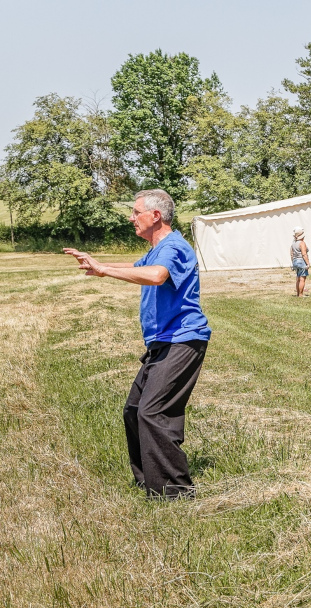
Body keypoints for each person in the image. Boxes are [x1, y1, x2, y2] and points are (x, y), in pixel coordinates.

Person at [63, 189, 210, 500]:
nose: (131, 218)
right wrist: (99, 265)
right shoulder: (157, 250)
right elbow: (138, 267)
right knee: (134, 410)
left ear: (155, 215)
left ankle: (175, 492)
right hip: (163, 342)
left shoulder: (174, 247)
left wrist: (104, 269)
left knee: (153, 412)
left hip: (183, 340)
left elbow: (156, 276)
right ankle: (149, 480)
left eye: (135, 212)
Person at [291, 227, 310, 297]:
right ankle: (301, 294)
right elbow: (304, 254)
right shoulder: (302, 243)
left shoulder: (293, 243)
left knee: (298, 278)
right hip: (301, 261)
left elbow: (291, 254)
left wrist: (293, 262)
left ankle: (298, 294)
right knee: (302, 279)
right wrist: (308, 263)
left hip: (295, 261)